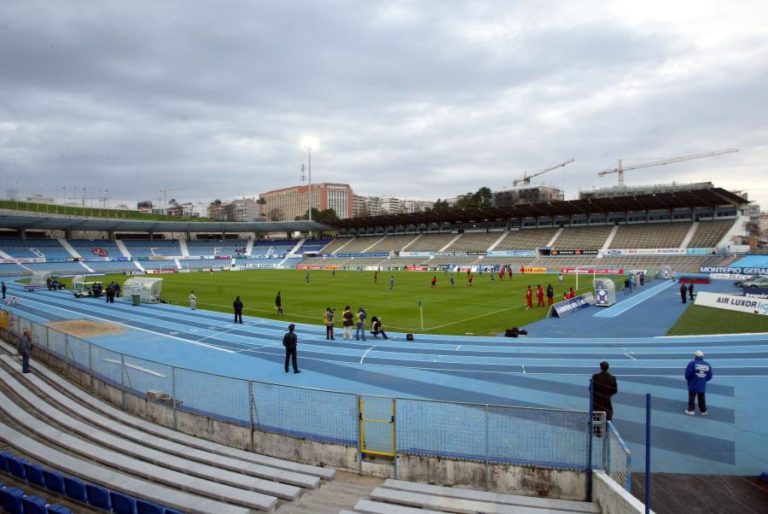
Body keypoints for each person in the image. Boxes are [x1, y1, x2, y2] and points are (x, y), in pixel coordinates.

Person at [685, 350, 712, 415]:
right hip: (702, 384)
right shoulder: (707, 364)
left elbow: (687, 374)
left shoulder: (692, 363)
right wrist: (703, 380)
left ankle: (691, 410)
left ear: (695, 356)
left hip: (693, 383)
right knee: (702, 397)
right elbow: (709, 375)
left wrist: (689, 379)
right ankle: (703, 411)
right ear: (702, 356)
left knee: (692, 396)